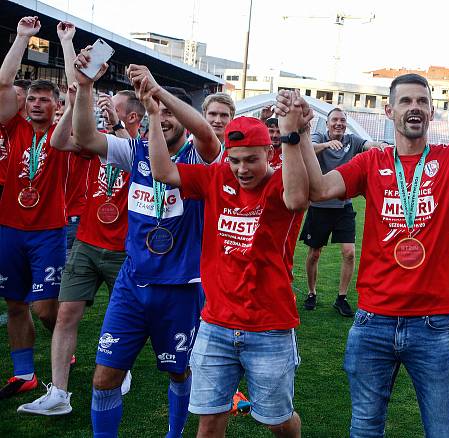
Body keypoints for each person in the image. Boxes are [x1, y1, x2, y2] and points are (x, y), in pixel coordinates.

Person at [279, 72, 449, 436]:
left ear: (431, 112)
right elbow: (318, 189)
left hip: (431, 324)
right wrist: (301, 133)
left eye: (422, 102)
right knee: (365, 428)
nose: (415, 108)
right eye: (407, 101)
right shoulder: (372, 163)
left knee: (442, 431)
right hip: (372, 321)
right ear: (389, 110)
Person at [71, 46, 221, 436]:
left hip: (181, 289)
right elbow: (86, 137)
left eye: (171, 112)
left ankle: (174, 433)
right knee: (104, 377)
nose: (165, 117)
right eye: (157, 109)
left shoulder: (202, 159)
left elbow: (207, 133)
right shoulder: (132, 150)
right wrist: (85, 86)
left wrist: (159, 97)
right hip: (132, 285)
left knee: (179, 371)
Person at [149, 83, 310, 436]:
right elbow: (163, 172)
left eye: (252, 159)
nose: (242, 169)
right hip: (216, 323)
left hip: (269, 326)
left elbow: (298, 199)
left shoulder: (282, 184)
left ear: (269, 153)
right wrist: (151, 115)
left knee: (278, 421)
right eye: (235, 159)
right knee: (209, 420)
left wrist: (291, 133)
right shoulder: (216, 176)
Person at [17, 28, 141, 414]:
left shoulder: (145, 149)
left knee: (125, 315)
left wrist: (116, 125)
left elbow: (137, 154)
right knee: (67, 312)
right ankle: (58, 394)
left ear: (131, 116)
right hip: (87, 240)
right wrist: (77, 98)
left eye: (113, 106)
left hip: (125, 246)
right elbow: (57, 142)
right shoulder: (96, 143)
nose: (105, 108)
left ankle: (121, 368)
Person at [0, 17, 71, 400]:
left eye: (45, 99)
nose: (37, 104)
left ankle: (64, 342)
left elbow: (78, 88)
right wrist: (23, 37)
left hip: (48, 230)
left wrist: (64, 42)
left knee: (45, 309)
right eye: (32, 99)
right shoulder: (13, 127)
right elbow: (3, 83)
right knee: (15, 304)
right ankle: (24, 373)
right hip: (9, 227)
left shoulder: (64, 134)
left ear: (57, 106)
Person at [302, 108, 388, 316]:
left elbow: (369, 145)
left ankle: (341, 298)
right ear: (328, 122)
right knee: (314, 253)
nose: (339, 123)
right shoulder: (319, 136)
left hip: (343, 206)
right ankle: (312, 293)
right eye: (335, 120)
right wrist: (326, 145)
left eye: (342, 120)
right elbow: (309, 149)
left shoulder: (352, 141)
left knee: (349, 252)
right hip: (319, 207)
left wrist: (381, 146)